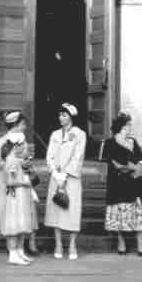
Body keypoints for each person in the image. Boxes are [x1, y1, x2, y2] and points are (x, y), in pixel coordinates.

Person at [103, 112, 142, 257]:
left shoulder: (133, 141)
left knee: (138, 214)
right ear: (122, 126)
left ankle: (140, 245)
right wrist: (129, 166)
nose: (130, 127)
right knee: (120, 214)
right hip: (118, 184)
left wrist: (140, 167)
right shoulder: (109, 142)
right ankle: (121, 242)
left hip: (135, 183)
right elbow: (112, 162)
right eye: (128, 124)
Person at [44, 102, 86, 260]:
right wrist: (55, 172)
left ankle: (73, 244)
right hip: (56, 177)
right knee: (56, 210)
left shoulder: (79, 134)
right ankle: (58, 244)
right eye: (60, 115)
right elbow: (49, 155)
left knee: (72, 210)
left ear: (71, 116)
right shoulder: (55, 134)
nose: (61, 118)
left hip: (71, 179)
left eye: (64, 115)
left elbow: (78, 156)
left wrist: (66, 175)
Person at [1, 116, 40, 265]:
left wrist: (28, 170)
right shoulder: (11, 161)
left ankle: (20, 251)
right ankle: (12, 253)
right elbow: (10, 181)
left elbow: (28, 174)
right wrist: (26, 182)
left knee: (23, 224)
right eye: (23, 145)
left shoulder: (21, 161)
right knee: (14, 224)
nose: (26, 148)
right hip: (15, 196)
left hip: (23, 196)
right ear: (16, 146)